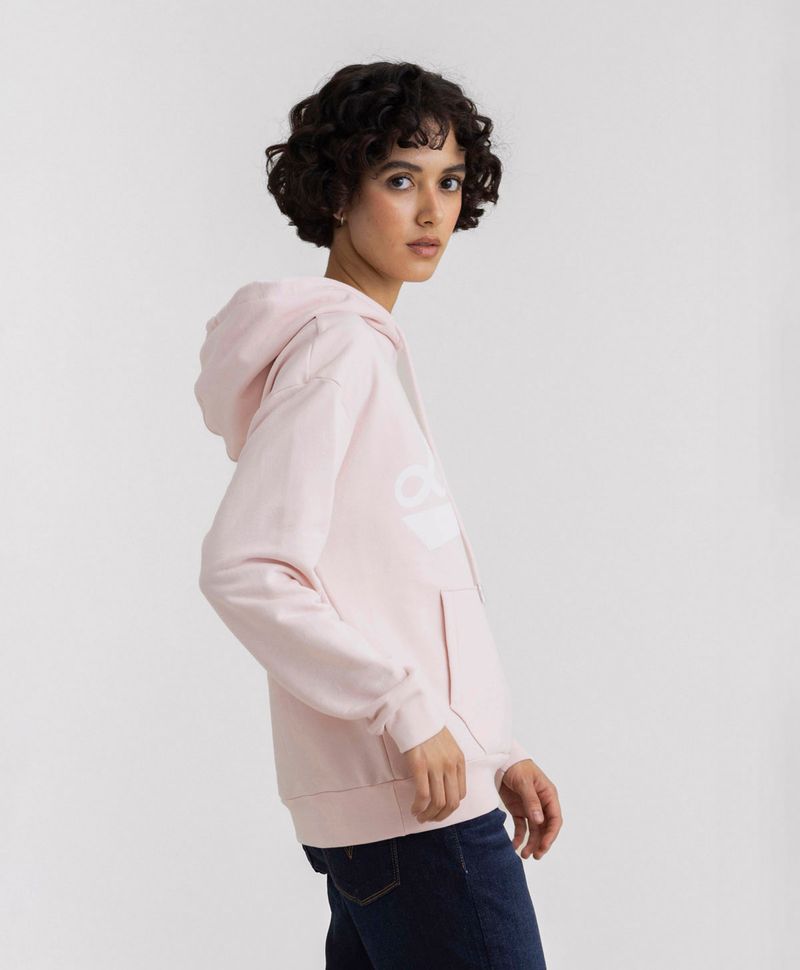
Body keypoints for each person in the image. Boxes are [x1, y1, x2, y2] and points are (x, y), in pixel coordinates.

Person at [194, 60, 561, 968]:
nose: (433, 211)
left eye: (450, 182)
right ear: (337, 191)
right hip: (419, 821)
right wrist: (402, 708)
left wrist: (490, 749)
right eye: (400, 180)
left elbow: (396, 586)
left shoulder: (357, 351)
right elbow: (245, 567)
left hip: (415, 803)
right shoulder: (338, 355)